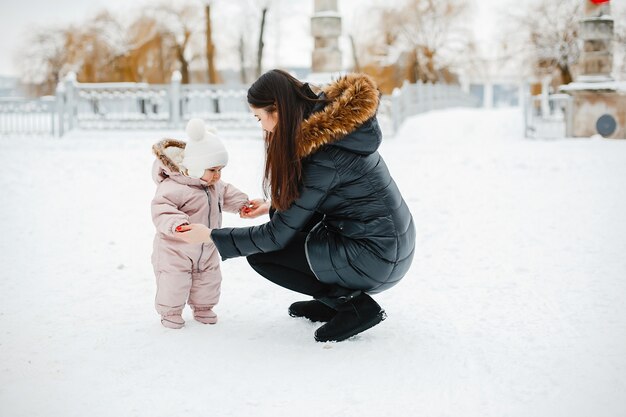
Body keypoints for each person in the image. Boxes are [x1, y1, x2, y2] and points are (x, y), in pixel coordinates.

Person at [177, 70, 415, 342]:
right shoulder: (335, 132)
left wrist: (209, 236)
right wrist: (272, 205)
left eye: (259, 118)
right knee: (292, 229)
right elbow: (328, 197)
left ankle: (352, 306)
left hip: (375, 256)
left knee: (263, 254)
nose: (262, 127)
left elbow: (275, 237)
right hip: (388, 244)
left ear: (277, 110)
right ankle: (334, 301)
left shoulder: (322, 155)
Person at [151, 118, 249, 329]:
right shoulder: (173, 187)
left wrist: (242, 205)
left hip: (207, 245)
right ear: (195, 167)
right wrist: (177, 224)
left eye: (220, 169)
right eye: (212, 169)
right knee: (174, 281)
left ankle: (203, 307)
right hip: (175, 248)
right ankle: (171, 312)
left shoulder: (214, 185)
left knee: (209, 278)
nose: (217, 175)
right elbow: (162, 209)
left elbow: (227, 192)